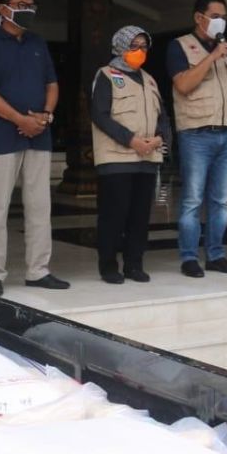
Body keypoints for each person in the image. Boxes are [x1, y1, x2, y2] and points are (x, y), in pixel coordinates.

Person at [0, 0, 68, 296]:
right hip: (1, 136)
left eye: (31, 5)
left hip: (39, 135)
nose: (28, 10)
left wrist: (45, 116)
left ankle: (38, 271)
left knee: (40, 207)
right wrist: (20, 120)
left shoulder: (38, 42)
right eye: (21, 4)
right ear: (3, 9)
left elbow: (52, 84)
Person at [167, 0, 227, 278]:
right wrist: (211, 57)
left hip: (226, 135)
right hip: (196, 133)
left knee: (220, 201)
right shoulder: (179, 47)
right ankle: (188, 257)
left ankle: (216, 255)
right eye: (216, 16)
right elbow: (183, 85)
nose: (221, 21)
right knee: (193, 200)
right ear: (200, 18)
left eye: (223, 16)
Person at [90, 26, 171, 284]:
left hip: (147, 158)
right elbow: (100, 115)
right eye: (133, 45)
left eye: (143, 46)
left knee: (139, 216)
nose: (139, 51)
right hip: (116, 158)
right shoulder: (106, 75)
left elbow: (164, 117)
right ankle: (108, 265)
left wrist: (159, 138)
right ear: (120, 47)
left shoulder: (150, 79)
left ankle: (134, 264)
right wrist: (132, 140)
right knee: (114, 215)